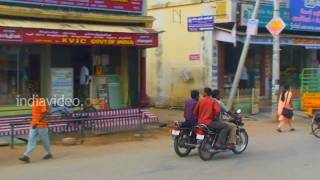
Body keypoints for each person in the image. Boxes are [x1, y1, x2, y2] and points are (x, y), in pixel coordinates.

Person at [19, 90, 52, 163]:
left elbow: (44, 113)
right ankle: (27, 156)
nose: (34, 96)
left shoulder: (41, 101)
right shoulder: (34, 102)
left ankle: (49, 153)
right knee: (31, 140)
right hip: (33, 125)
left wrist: (37, 122)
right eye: (33, 94)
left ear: (38, 95)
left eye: (35, 95)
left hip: (41, 125)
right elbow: (39, 113)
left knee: (45, 141)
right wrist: (34, 122)